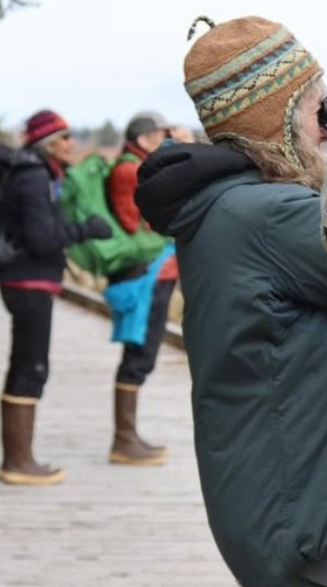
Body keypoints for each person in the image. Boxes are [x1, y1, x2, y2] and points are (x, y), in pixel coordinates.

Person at [135, 16, 327, 587]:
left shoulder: (227, 205)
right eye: (316, 107)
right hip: (299, 506)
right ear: (276, 119)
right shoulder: (265, 216)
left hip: (271, 496)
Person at [0, 109, 111, 485]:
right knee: (31, 367)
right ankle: (18, 462)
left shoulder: (32, 173)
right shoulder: (33, 178)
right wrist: (85, 229)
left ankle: (18, 458)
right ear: (47, 143)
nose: (70, 143)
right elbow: (42, 238)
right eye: (63, 137)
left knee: (25, 364)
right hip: (29, 281)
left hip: (23, 279)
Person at [104, 111, 191, 466]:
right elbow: (138, 218)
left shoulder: (135, 165)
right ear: (142, 139)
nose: (163, 139)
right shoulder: (129, 170)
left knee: (143, 354)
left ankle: (127, 435)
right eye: (158, 134)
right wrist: (183, 149)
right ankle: (123, 439)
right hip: (147, 274)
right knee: (139, 354)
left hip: (153, 272)